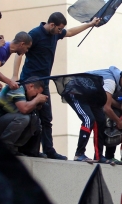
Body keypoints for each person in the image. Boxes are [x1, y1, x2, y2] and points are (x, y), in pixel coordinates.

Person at [12, 13, 101, 161]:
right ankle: (26, 148)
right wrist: (15, 76)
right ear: (52, 25)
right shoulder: (35, 34)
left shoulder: (55, 34)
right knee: (29, 115)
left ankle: (48, 150)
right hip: (30, 82)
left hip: (44, 82)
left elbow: (71, 32)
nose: (61, 32)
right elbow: (19, 53)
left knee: (46, 118)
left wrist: (90, 24)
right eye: (59, 29)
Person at [68, 67, 122, 163]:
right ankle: (79, 154)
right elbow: (106, 107)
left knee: (100, 120)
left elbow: (106, 101)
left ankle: (98, 156)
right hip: (75, 91)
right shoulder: (110, 82)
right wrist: (118, 121)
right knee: (88, 119)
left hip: (89, 97)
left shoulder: (115, 81)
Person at [0, 78, 47, 157]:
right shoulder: (17, 87)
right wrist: (37, 100)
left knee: (35, 120)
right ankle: (5, 145)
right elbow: (24, 109)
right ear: (31, 86)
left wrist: (37, 105)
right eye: (36, 94)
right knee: (24, 118)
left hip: (5, 123)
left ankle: (22, 149)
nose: (36, 96)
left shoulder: (26, 94)